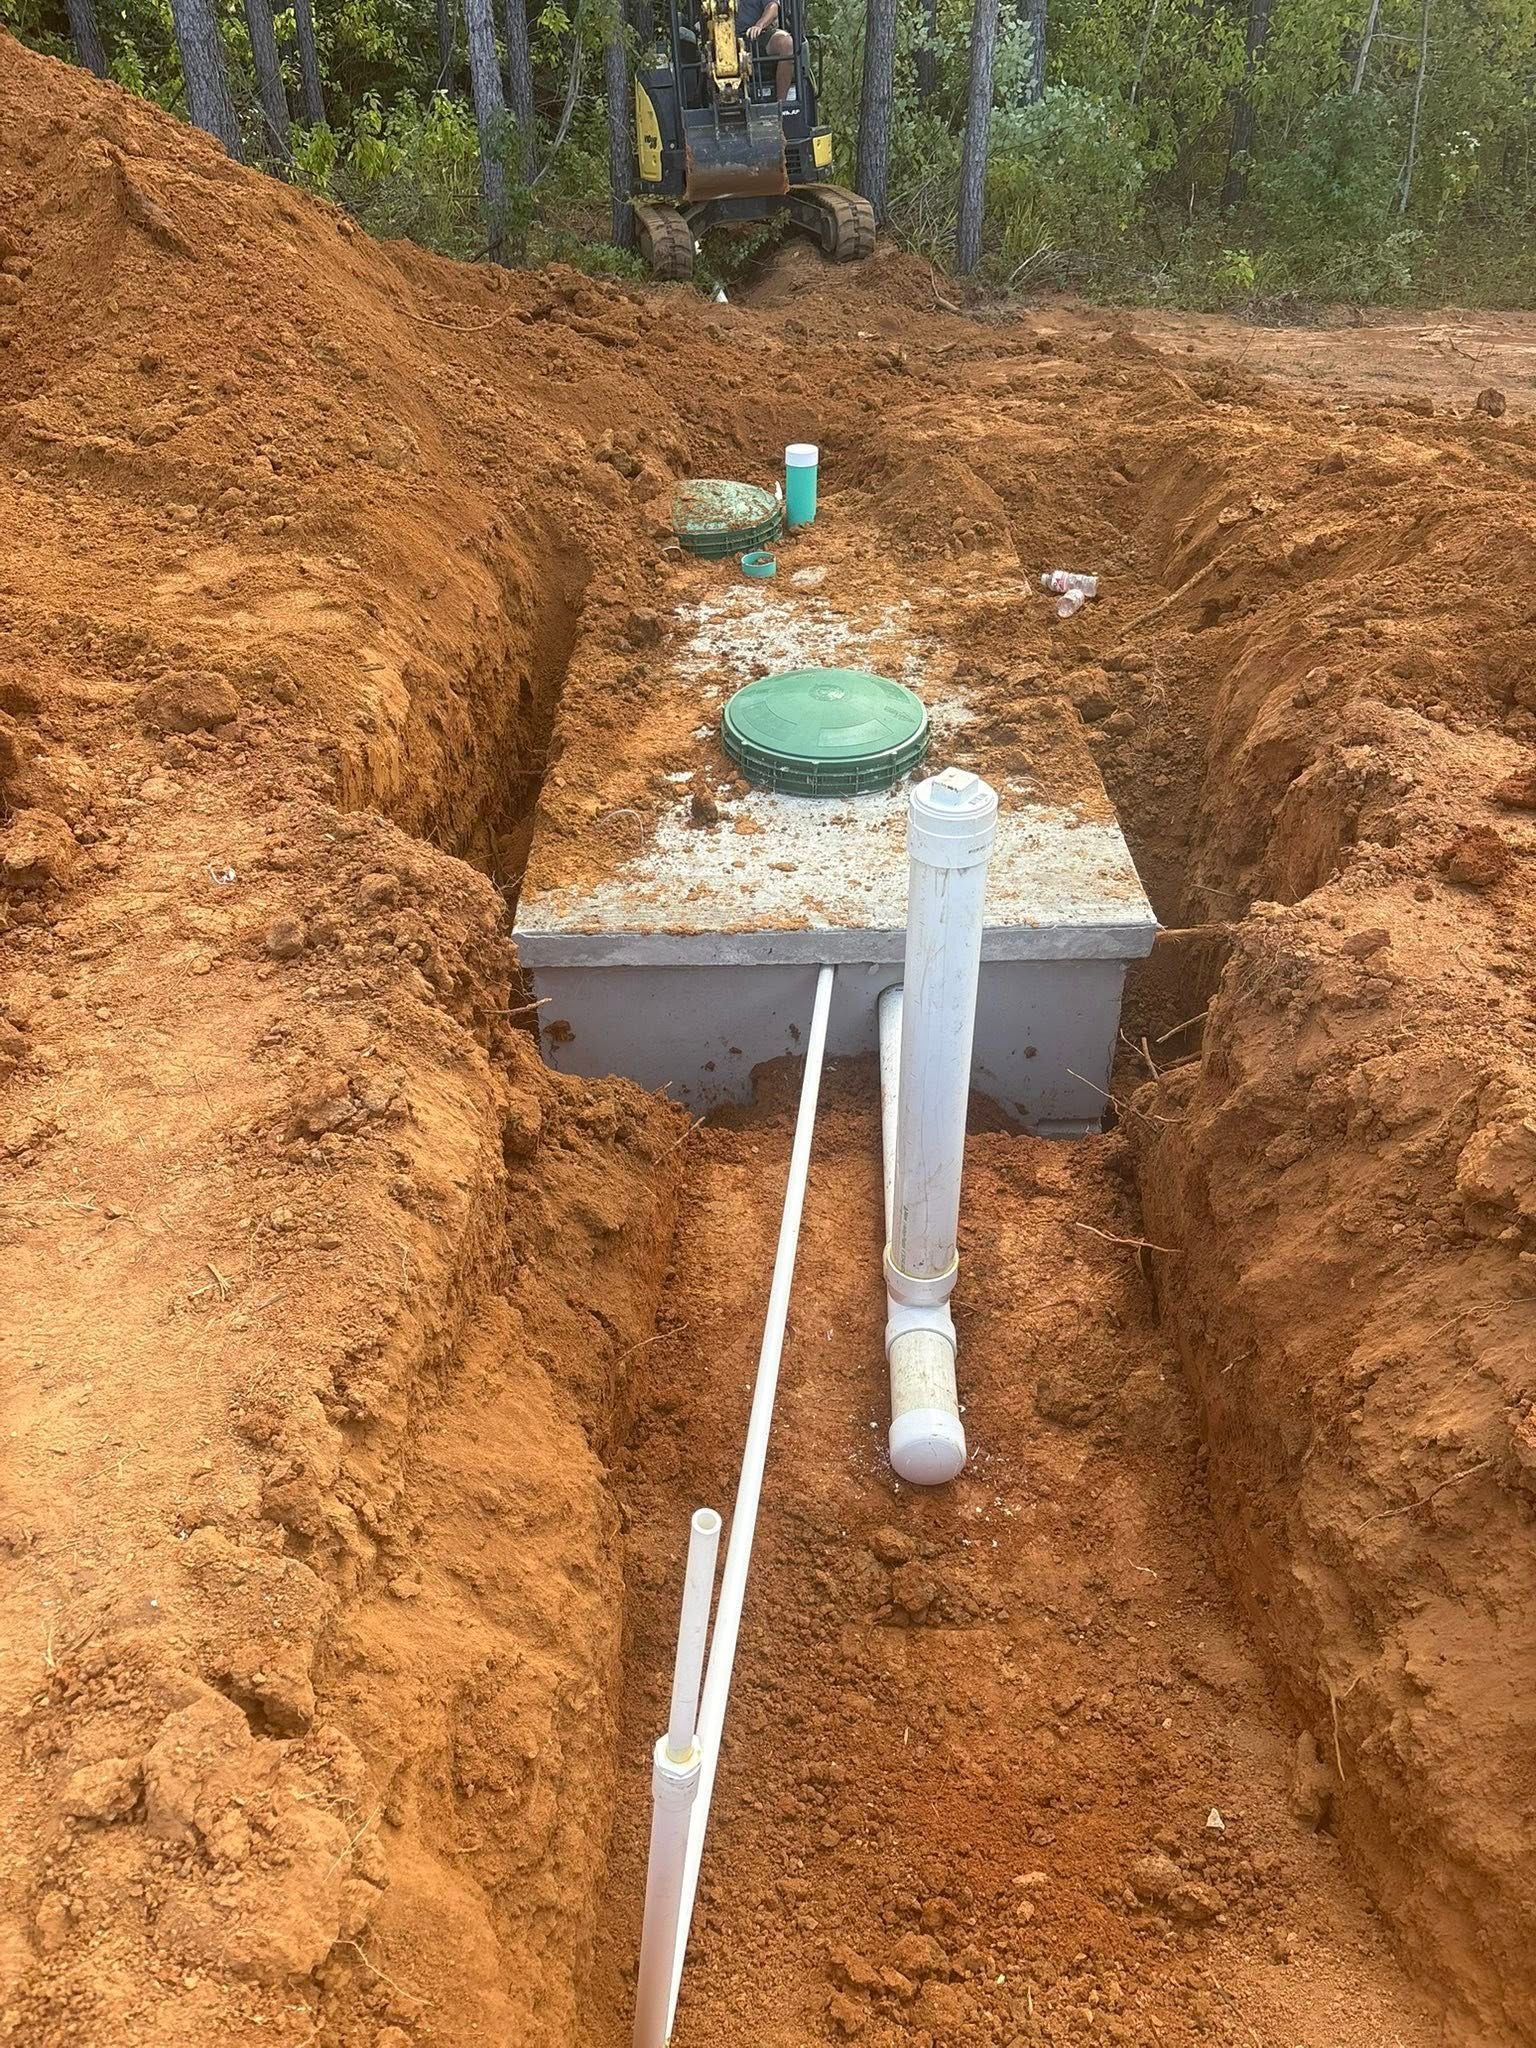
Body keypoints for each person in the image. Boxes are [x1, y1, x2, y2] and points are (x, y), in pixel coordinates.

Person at [736, 0, 794, 100]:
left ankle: (781, 105)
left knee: (787, 44)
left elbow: (773, 7)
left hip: (757, 36)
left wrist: (759, 25)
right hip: (721, 42)